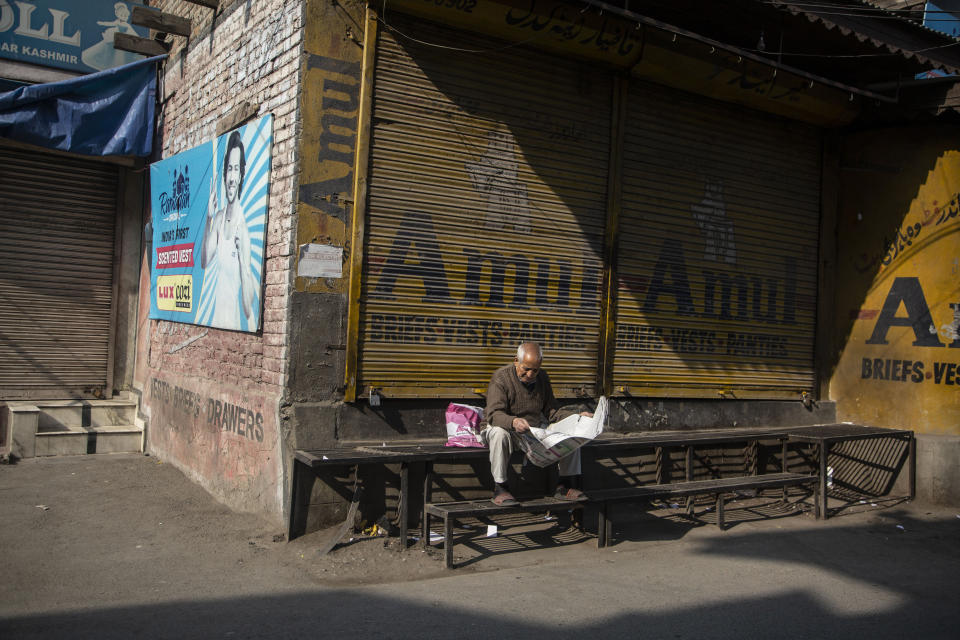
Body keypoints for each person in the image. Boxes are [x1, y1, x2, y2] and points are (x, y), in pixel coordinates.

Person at [482, 342, 593, 506]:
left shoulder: (543, 378)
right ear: (516, 361)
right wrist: (513, 421)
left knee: (572, 431)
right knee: (499, 433)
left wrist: (576, 417)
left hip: (531, 431)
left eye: (535, 370)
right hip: (505, 428)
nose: (530, 374)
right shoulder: (501, 377)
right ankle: (500, 487)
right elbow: (494, 414)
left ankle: (565, 485)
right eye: (526, 369)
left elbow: (552, 411)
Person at [200, 131, 256, 329]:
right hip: (215, 322)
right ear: (224, 176)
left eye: (235, 170)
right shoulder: (218, 219)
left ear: (241, 176)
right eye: (229, 170)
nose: (231, 177)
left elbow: (248, 308)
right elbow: (204, 261)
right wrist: (208, 218)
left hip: (232, 324)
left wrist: (242, 261)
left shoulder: (244, 230)